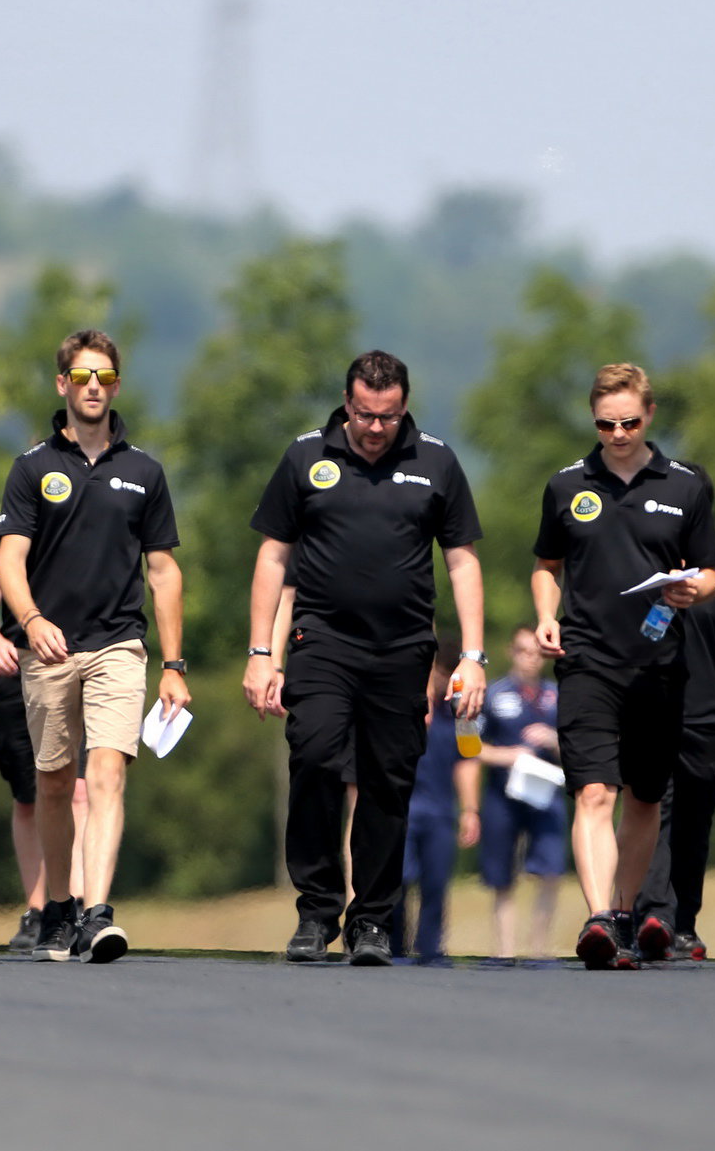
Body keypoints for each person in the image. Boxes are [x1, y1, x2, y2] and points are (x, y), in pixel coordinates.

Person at [244, 349, 486, 967]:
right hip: (321, 641)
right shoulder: (306, 456)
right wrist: (260, 652)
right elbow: (274, 557)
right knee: (318, 757)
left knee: (387, 780)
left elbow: (462, 561)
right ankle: (317, 909)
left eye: (388, 415)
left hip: (403, 649)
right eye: (364, 414)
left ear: (404, 407)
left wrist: (474, 656)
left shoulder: (436, 462)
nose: (375, 428)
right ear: (346, 403)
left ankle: (373, 919)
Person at [0, 328, 188, 964]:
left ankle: (96, 911)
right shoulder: (32, 468)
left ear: (117, 384)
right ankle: (55, 907)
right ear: (63, 385)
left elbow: (163, 572)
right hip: (48, 649)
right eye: (81, 376)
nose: (94, 386)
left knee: (105, 773)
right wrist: (29, 618)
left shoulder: (144, 472)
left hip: (119, 646)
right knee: (53, 784)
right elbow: (10, 555)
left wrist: (174, 664)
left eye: (104, 375)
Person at [531, 363, 715, 970]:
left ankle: (620, 910)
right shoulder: (566, 486)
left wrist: (698, 591)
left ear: (650, 415)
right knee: (593, 791)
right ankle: (597, 917)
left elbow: (712, 567)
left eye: (629, 422)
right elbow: (545, 565)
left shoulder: (687, 485)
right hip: (588, 660)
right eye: (606, 424)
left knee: (643, 797)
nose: (617, 434)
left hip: (659, 666)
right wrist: (546, 615)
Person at [632, 554, 715, 961]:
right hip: (648, 707)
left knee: (695, 820)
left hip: (706, 715)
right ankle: (653, 917)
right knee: (654, 808)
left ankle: (685, 922)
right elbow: (628, 631)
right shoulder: (647, 557)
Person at [0, 524, 91, 953]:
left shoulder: (86, 515)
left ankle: (75, 901)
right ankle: (35, 907)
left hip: (78, 657)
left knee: (77, 790)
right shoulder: (10, 524)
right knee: (28, 795)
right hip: (19, 661)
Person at [473, 626, 564, 962]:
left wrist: (553, 739)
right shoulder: (494, 695)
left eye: (537, 653)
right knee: (501, 875)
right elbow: (469, 746)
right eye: (524, 651)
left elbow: (581, 747)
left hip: (546, 792)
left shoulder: (556, 696)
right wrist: (507, 755)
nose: (531, 659)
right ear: (512, 653)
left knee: (550, 870)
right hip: (503, 793)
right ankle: (505, 950)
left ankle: (540, 948)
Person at [393, 637, 481, 964]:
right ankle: (393, 946)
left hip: (441, 812)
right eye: (441, 672)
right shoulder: (404, 701)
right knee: (398, 881)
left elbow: (469, 758)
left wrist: (471, 810)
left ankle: (430, 951)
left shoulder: (461, 711)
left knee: (436, 884)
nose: (445, 680)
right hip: (404, 809)